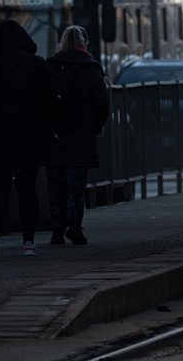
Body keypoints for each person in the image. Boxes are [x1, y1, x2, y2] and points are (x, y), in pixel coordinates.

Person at [0, 19, 55, 258]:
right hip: (30, 138)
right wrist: (44, 127)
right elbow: (50, 101)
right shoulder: (37, 65)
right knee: (27, 188)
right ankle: (28, 242)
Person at [43, 26, 110, 246]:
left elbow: (41, 99)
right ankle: (74, 227)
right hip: (81, 136)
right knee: (76, 186)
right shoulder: (91, 68)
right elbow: (102, 104)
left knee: (56, 186)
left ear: (62, 42)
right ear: (84, 42)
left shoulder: (51, 66)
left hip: (55, 137)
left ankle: (56, 230)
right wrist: (94, 126)